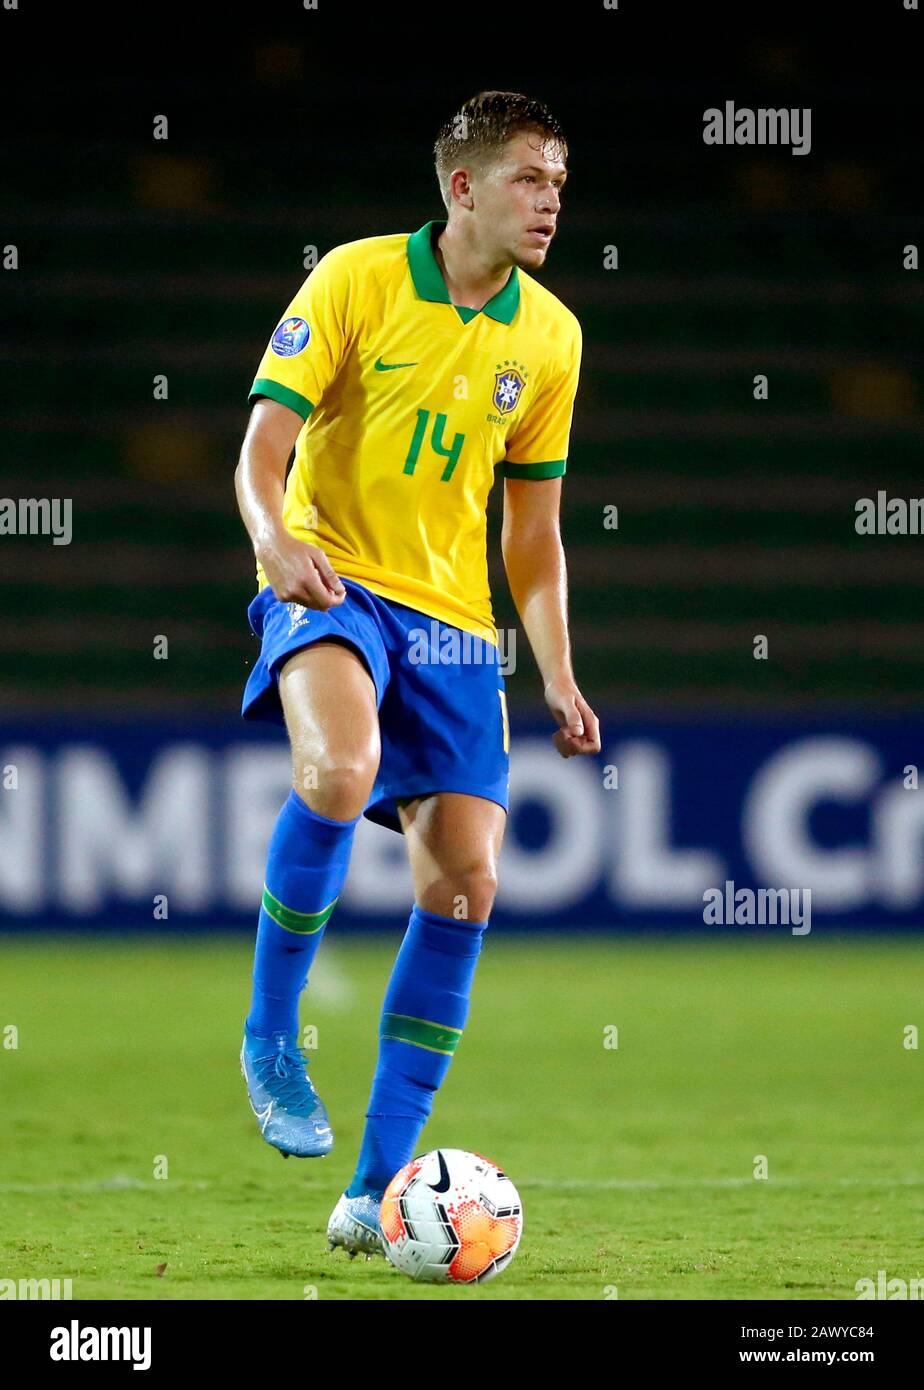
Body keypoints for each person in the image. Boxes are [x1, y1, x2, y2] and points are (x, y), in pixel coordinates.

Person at [234, 90, 601, 1258]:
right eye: (529, 180)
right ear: (462, 188)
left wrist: (557, 668)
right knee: (342, 773)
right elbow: (262, 450)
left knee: (465, 891)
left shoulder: (552, 337)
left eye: (558, 182)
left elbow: (531, 534)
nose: (550, 201)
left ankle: (379, 1190)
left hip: (455, 630)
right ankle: (271, 1031)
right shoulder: (353, 279)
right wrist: (273, 542)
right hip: (334, 583)